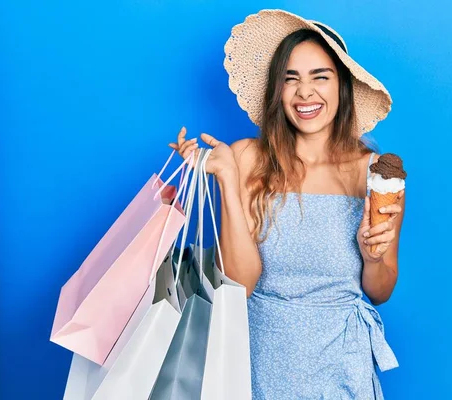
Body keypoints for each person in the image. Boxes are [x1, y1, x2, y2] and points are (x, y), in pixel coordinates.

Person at [168, 9, 405, 399]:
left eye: (320, 77)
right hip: (258, 366)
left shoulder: (374, 175)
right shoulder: (245, 158)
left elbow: (379, 291)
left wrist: (373, 256)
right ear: (277, 90)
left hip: (343, 370)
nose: (305, 92)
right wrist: (227, 179)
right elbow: (240, 284)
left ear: (342, 87)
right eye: (290, 79)